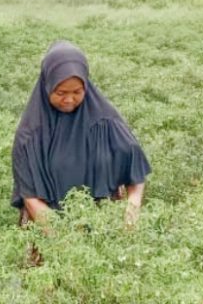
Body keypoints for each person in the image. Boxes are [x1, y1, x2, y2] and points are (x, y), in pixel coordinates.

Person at [11, 41, 150, 229]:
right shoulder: (30, 137)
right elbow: (31, 197)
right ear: (47, 85)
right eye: (60, 92)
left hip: (104, 231)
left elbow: (135, 170)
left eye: (77, 92)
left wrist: (132, 209)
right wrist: (62, 242)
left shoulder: (106, 122)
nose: (69, 99)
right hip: (49, 234)